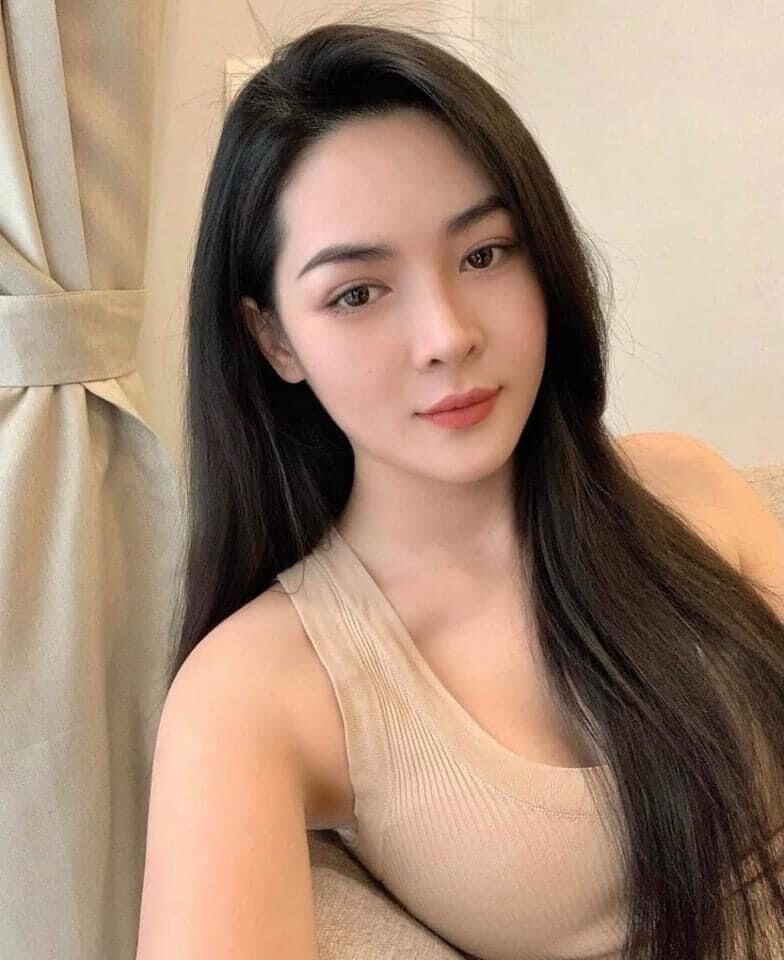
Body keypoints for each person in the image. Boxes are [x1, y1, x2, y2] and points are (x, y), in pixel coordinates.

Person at [134, 21, 784, 960]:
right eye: (358, 293)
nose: (447, 335)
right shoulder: (253, 692)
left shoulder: (687, 488)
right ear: (274, 339)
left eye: (484, 254)